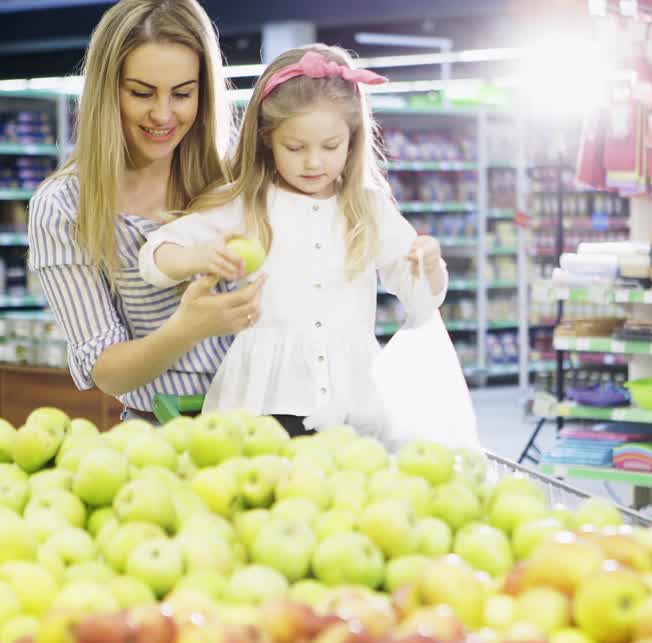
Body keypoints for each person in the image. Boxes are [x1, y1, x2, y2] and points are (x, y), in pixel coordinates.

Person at [139, 44, 449, 438]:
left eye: (331, 146)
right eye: (296, 148)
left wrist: (429, 264)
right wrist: (200, 256)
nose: (313, 162)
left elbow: (422, 300)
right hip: (263, 403)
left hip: (351, 401)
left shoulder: (369, 209)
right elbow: (153, 256)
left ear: (353, 141)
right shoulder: (247, 204)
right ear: (268, 139)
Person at [27, 0, 263, 422]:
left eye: (183, 94)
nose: (163, 114)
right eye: (141, 92)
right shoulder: (65, 207)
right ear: (106, 90)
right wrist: (186, 328)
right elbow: (107, 369)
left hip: (266, 424)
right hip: (159, 433)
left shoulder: (233, 182)